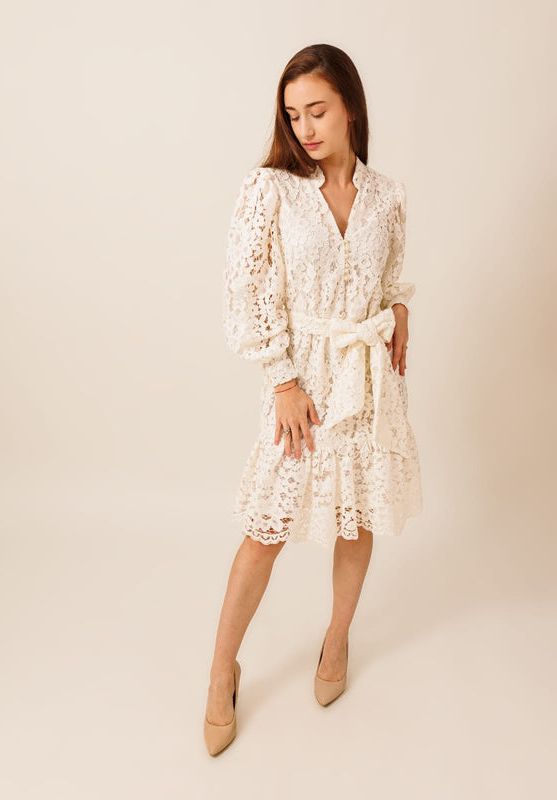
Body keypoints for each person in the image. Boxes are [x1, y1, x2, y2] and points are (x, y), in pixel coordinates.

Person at [204, 43, 423, 756]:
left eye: (317, 110)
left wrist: (397, 309)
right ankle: (220, 671)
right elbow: (248, 292)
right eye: (293, 114)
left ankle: (336, 642)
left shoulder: (385, 194)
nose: (304, 127)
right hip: (300, 385)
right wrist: (282, 380)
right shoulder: (269, 189)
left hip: (367, 383)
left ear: (350, 106)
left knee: (355, 518)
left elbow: (390, 273)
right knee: (266, 532)